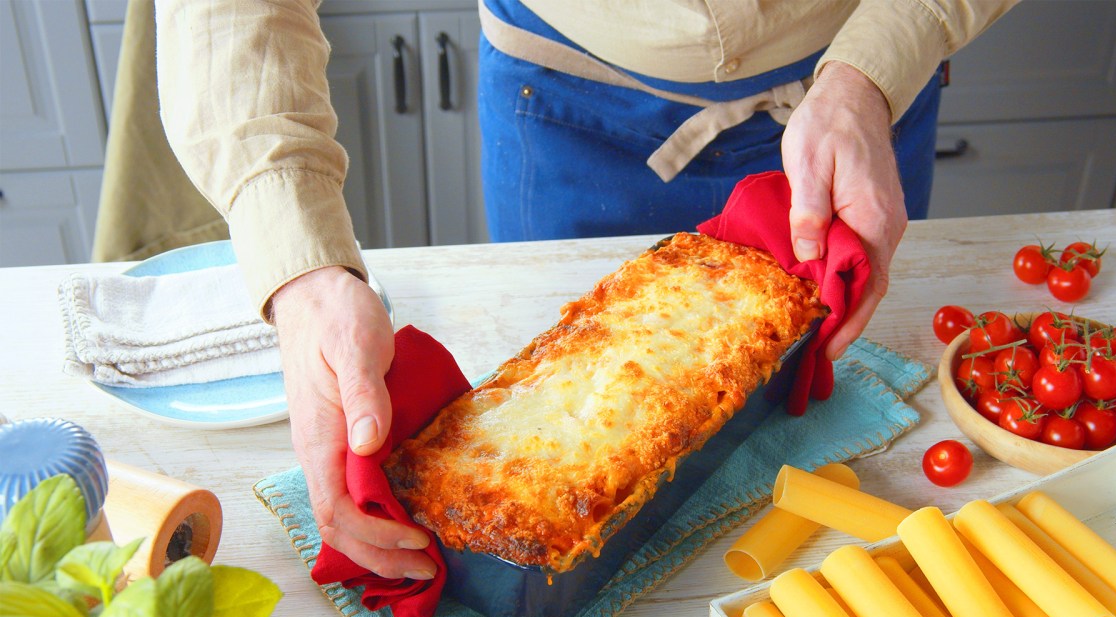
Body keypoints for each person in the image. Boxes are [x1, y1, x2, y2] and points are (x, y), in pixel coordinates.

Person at [153, 0, 1017, 581]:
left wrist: (873, 68)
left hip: (859, 90)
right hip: (565, 103)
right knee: (558, 402)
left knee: (803, 363)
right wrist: (299, 263)